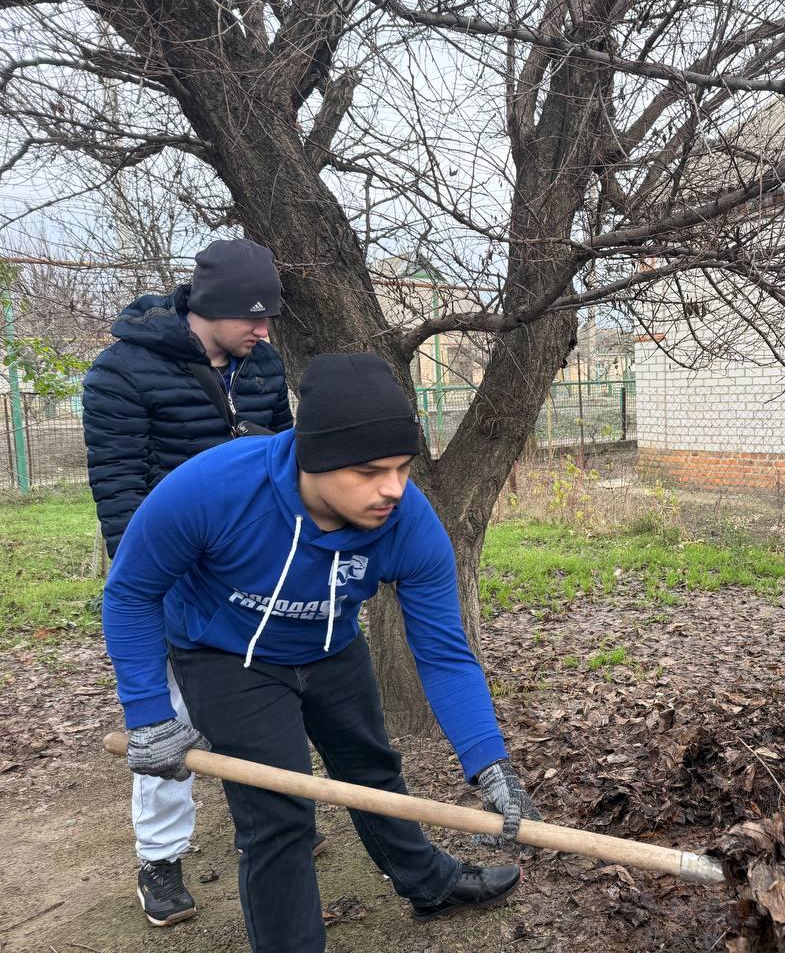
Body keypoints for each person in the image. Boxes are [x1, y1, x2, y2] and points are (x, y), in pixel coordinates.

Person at [102, 353, 540, 953]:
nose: (392, 488)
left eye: (403, 467)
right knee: (279, 814)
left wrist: (490, 763)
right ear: (315, 459)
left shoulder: (409, 523)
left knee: (373, 768)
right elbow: (130, 593)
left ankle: (427, 883)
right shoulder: (214, 487)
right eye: (368, 471)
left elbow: (443, 653)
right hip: (224, 651)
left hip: (329, 644)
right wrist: (149, 714)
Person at [81, 238, 294, 926]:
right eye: (253, 317)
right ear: (210, 307)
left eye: (270, 319)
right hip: (171, 574)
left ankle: (273, 824)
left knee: (256, 702)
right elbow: (118, 494)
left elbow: (285, 463)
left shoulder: (262, 366)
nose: (264, 332)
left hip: (251, 571)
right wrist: (156, 589)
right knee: (167, 723)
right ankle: (161, 862)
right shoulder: (122, 372)